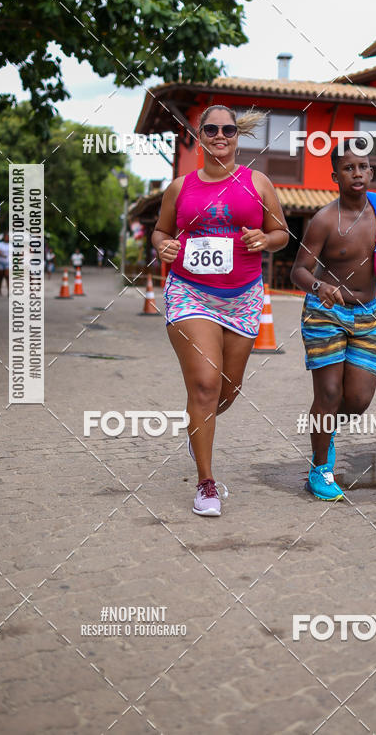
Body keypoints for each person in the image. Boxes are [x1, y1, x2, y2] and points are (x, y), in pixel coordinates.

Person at [153, 104, 289, 517]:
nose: (220, 136)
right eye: (211, 129)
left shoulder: (258, 182)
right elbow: (161, 231)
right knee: (205, 386)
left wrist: (265, 240)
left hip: (243, 297)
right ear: (200, 136)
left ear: (236, 136)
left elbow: (282, 233)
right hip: (190, 292)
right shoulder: (180, 187)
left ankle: (198, 424)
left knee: (227, 391)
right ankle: (206, 483)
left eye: (228, 130)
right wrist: (163, 246)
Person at [291, 138, 376, 501]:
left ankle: (324, 432)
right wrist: (319, 285)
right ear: (335, 176)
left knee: (357, 400)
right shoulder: (324, 220)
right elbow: (298, 271)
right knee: (329, 393)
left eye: (363, 166)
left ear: (371, 172)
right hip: (325, 313)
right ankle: (320, 468)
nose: (357, 173)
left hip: (368, 314)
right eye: (348, 167)